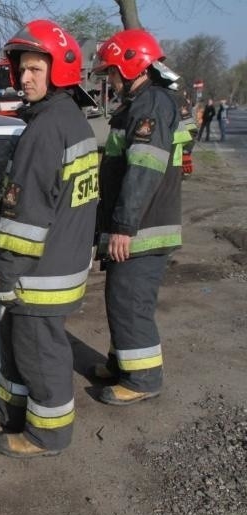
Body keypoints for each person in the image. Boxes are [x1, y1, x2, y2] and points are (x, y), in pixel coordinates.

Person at [0, 19, 99, 458]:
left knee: (41, 356)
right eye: (22, 69)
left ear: (58, 70)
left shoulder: (44, 131)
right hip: (60, 262)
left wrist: (6, 275)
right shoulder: (70, 121)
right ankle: (13, 409)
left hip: (40, 273)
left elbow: (25, 218)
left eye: (34, 70)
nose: (24, 78)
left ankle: (47, 434)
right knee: (18, 345)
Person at [92, 29, 185, 406]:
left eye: (112, 72)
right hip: (138, 228)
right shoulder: (143, 103)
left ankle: (144, 378)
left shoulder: (150, 106)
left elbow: (143, 171)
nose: (110, 80)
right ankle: (124, 364)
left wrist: (123, 227)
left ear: (131, 67)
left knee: (130, 301)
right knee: (121, 297)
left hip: (141, 230)